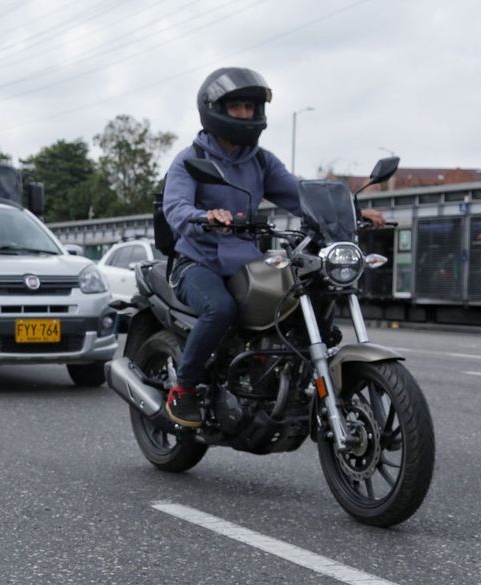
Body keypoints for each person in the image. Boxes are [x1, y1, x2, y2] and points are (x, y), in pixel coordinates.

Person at [161, 67, 385, 429]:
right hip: (197, 262)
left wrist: (352, 211)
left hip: (247, 262)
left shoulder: (260, 160)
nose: (245, 115)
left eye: (250, 107)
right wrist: (204, 216)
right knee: (220, 309)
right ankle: (184, 388)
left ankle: (277, 376)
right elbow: (176, 207)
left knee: (298, 298)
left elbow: (301, 195)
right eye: (236, 107)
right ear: (214, 108)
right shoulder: (190, 161)